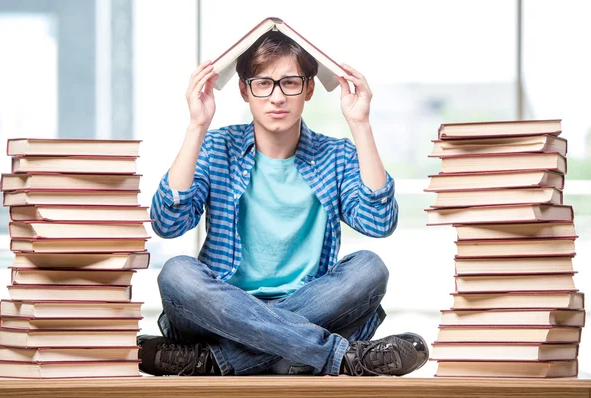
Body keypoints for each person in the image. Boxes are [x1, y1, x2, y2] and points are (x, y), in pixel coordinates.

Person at [138, 30, 428, 377]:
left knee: (369, 267)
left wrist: (360, 124)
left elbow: (379, 222)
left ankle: (214, 360)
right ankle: (340, 357)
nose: (277, 97)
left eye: (289, 82)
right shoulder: (217, 147)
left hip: (312, 305)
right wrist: (197, 125)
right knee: (177, 273)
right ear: (245, 90)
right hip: (223, 306)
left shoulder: (335, 155)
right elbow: (168, 223)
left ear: (308, 88)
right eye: (263, 83)